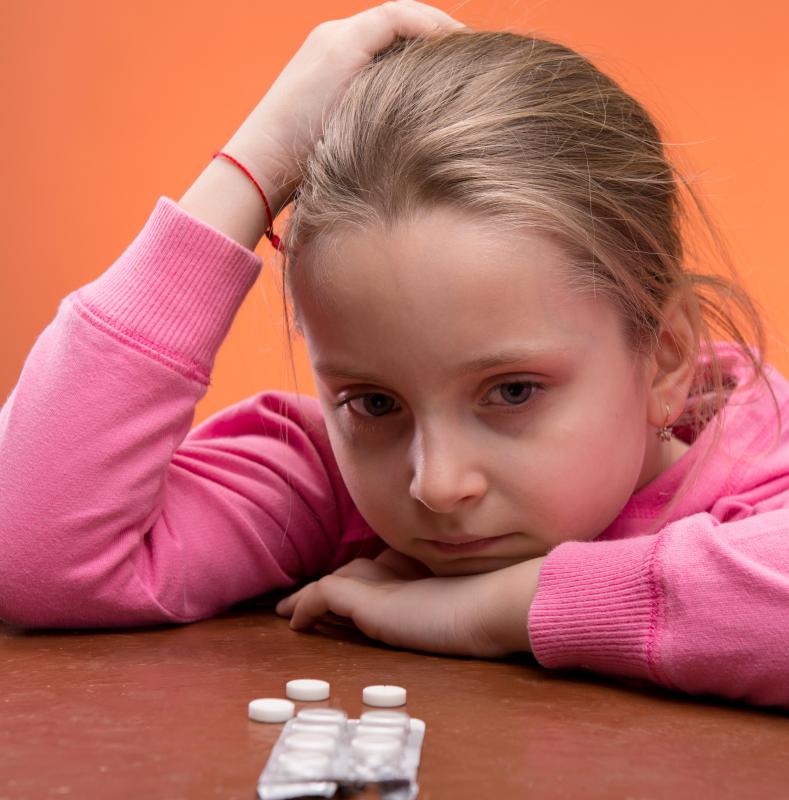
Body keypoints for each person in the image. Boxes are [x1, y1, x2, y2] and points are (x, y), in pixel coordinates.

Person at [1, 0, 787, 711]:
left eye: (511, 392)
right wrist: (255, 162)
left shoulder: (762, 469)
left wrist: (493, 610)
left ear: (666, 356)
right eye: (373, 404)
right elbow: (29, 550)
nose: (437, 485)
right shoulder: (318, 483)